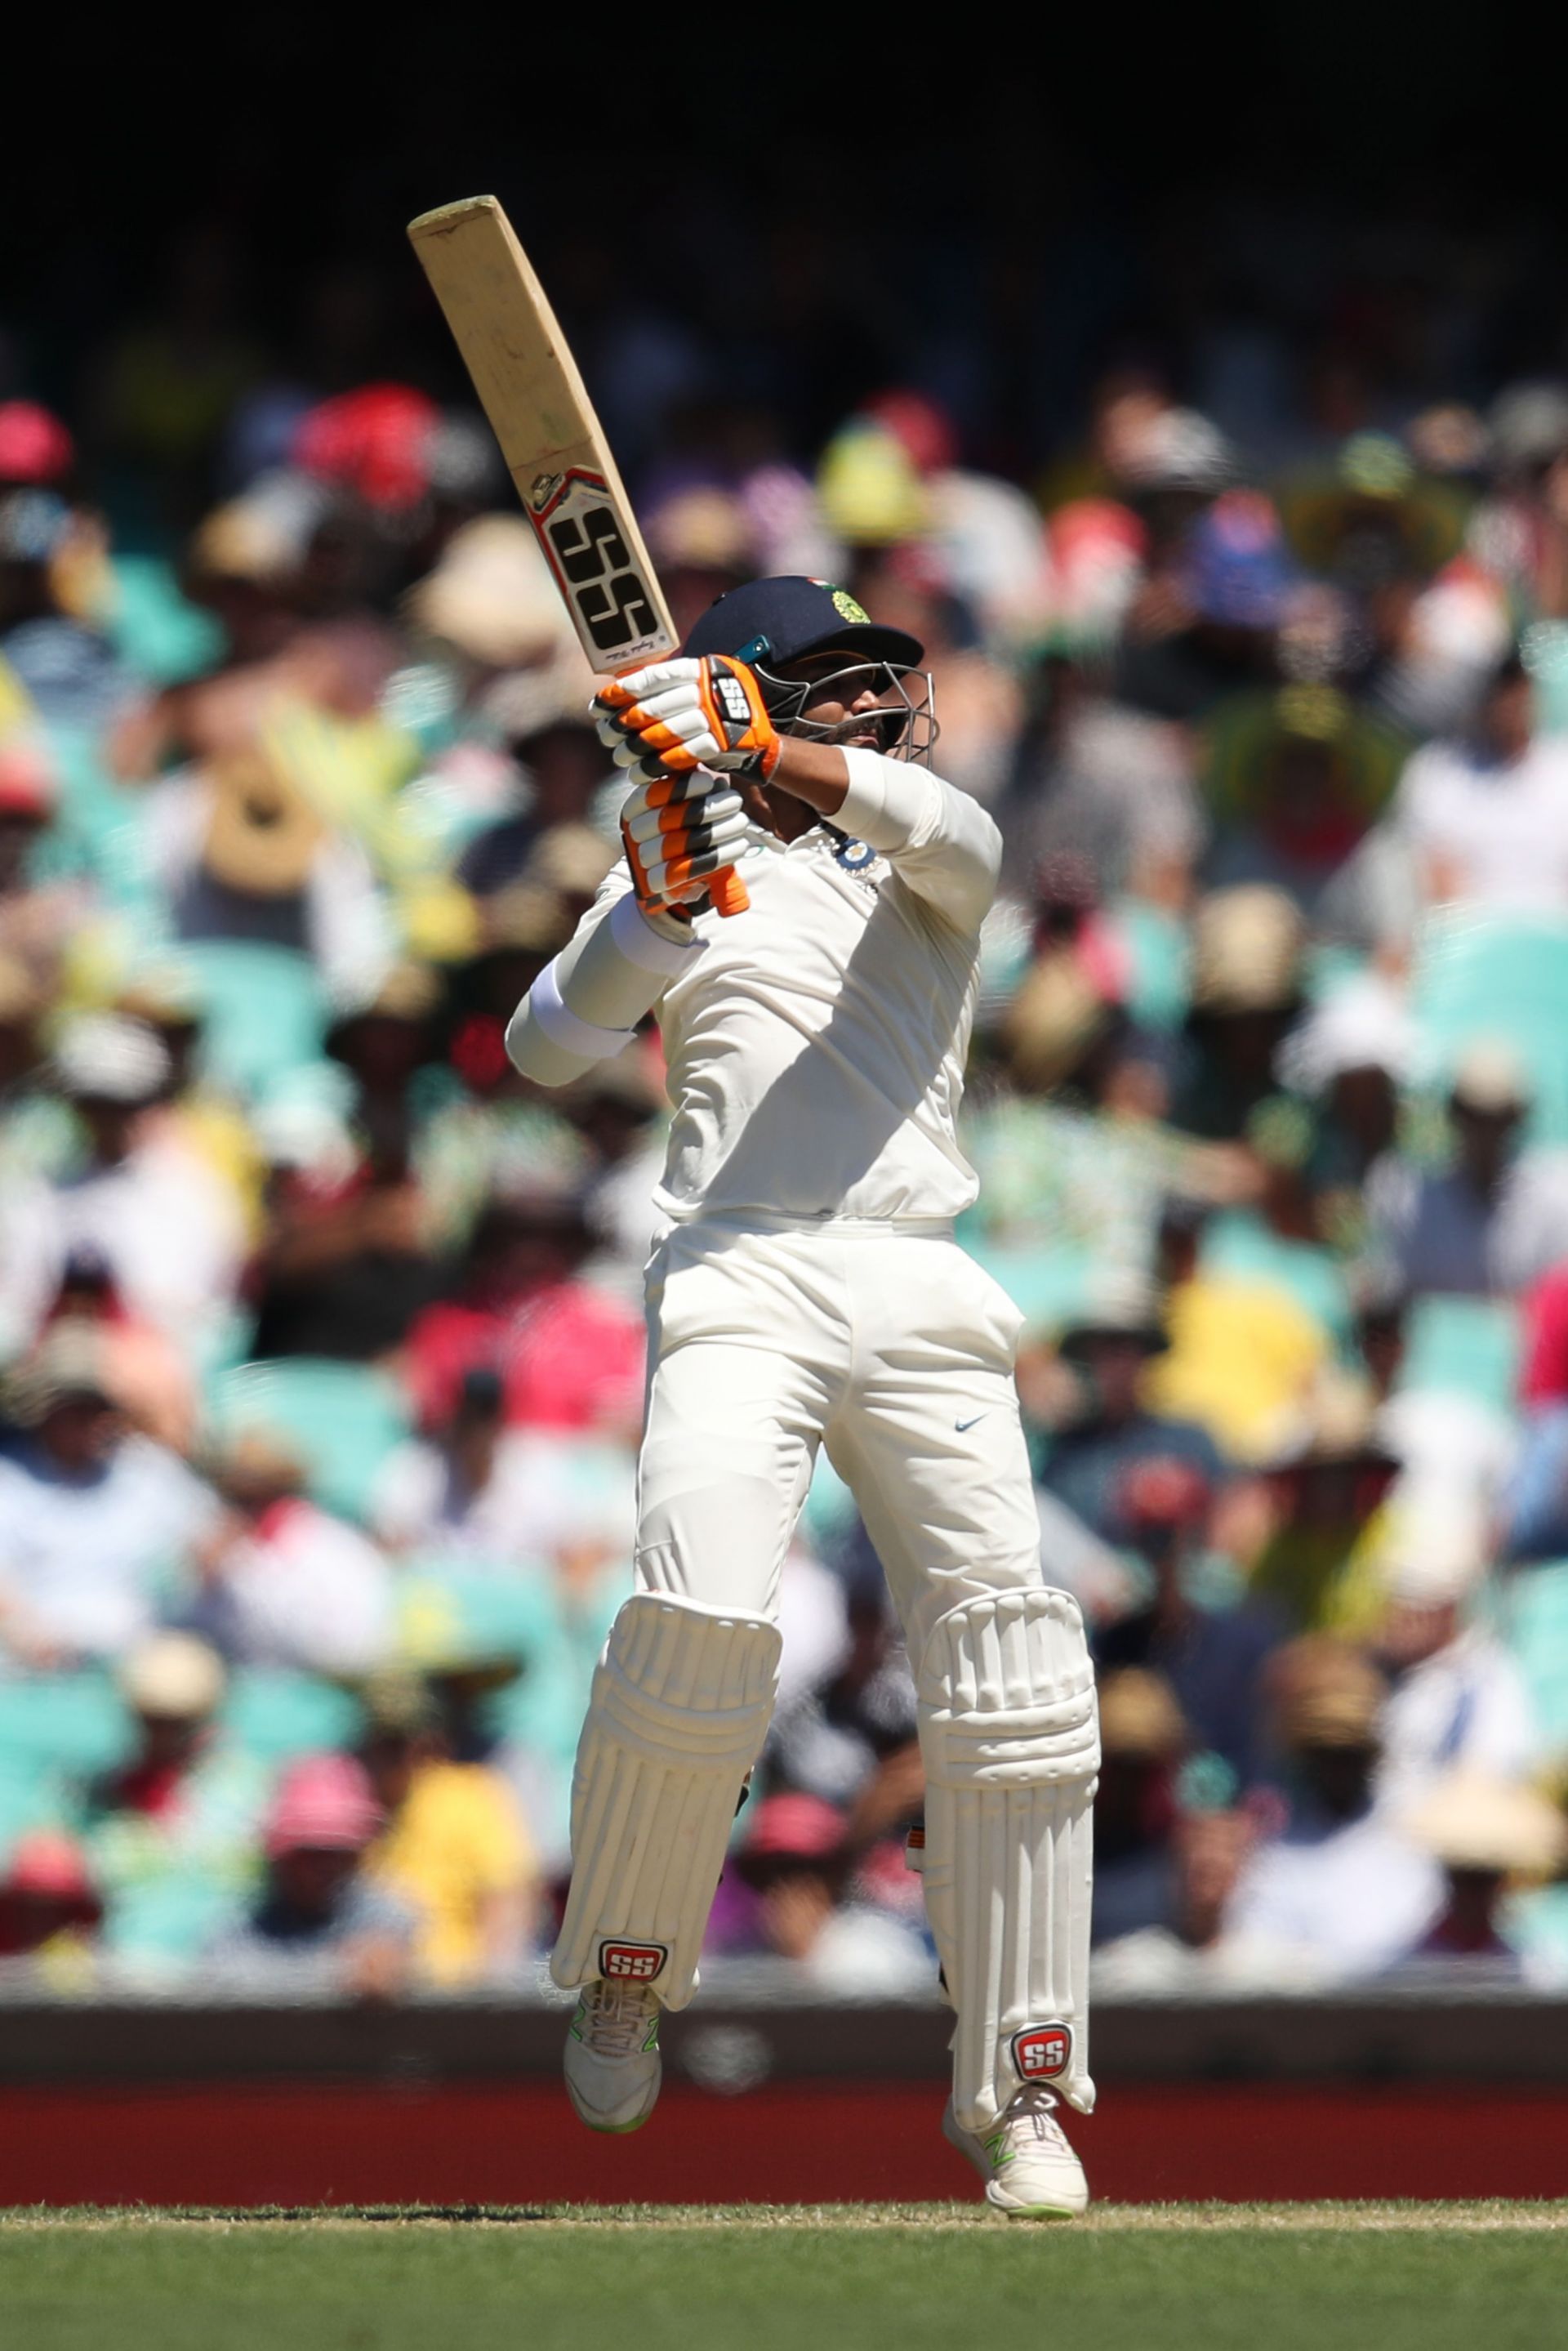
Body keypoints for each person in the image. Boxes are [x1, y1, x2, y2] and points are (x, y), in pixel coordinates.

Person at [507, 577, 1098, 2217]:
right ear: (750, 689)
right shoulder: (685, 866)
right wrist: (648, 910)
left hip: (919, 1273)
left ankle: (1022, 2084)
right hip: (739, 1270)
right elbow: (545, 1049)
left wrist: (765, 740)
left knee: (1014, 1654)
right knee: (694, 1616)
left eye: (872, 684)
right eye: (827, 687)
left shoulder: (925, 853)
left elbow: (946, 824)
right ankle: (628, 1961)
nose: (871, 707)